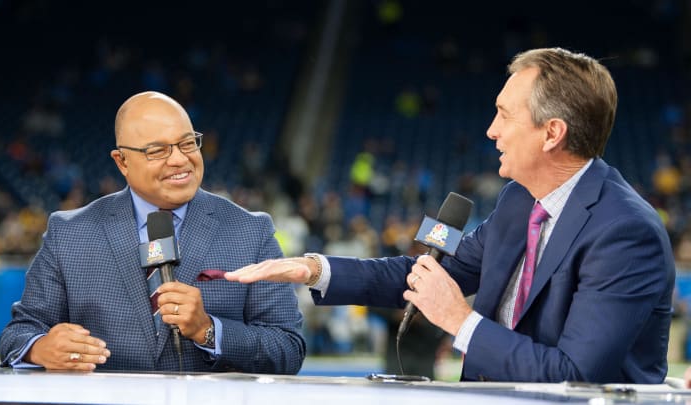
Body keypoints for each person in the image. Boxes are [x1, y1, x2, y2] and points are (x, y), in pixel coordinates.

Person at [226, 48, 675, 383]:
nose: (491, 129)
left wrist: (460, 320)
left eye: (503, 114)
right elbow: (427, 273)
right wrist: (313, 269)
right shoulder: (520, 201)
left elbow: (574, 376)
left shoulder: (625, 232)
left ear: (552, 133)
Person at [0, 91, 306, 373]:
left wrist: (208, 330)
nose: (179, 159)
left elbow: (288, 349)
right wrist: (40, 349)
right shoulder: (70, 232)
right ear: (122, 162)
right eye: (157, 150)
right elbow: (19, 333)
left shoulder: (250, 231)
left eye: (187, 143)